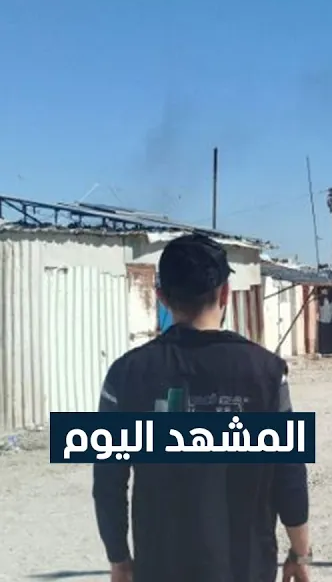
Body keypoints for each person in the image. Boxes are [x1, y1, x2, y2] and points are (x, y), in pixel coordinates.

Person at [92, 233, 312, 582]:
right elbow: (289, 473)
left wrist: (119, 559)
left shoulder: (125, 375)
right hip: (246, 568)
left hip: (160, 568)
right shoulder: (267, 373)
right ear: (225, 293)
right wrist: (300, 552)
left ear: (162, 298)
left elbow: (107, 480)